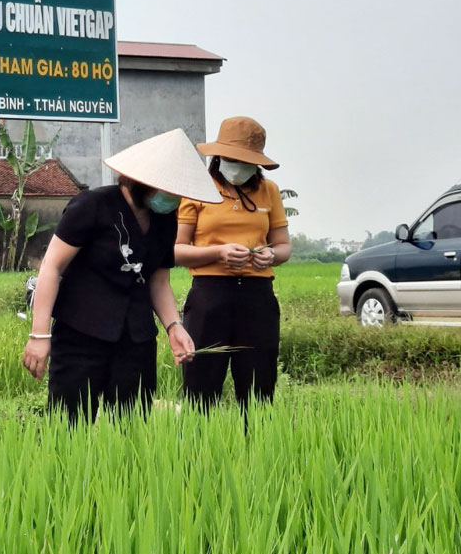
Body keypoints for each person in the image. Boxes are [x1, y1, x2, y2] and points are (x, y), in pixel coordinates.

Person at [21, 129, 222, 424]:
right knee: (67, 427)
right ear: (142, 181)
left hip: (136, 338)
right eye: (167, 189)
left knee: (131, 428)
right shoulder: (91, 205)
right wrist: (39, 335)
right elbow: (52, 267)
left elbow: (158, 280)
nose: (172, 198)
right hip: (81, 334)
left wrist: (174, 326)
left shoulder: (165, 219)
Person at [175, 116, 292, 411]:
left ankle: (256, 450)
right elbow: (176, 250)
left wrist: (271, 256)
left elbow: (283, 247)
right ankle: (197, 451)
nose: (239, 166)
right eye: (233, 158)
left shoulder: (270, 191)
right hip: (209, 296)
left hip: (257, 297)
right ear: (219, 156)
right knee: (201, 384)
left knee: (258, 386)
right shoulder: (197, 189)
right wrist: (218, 253)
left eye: (247, 160)